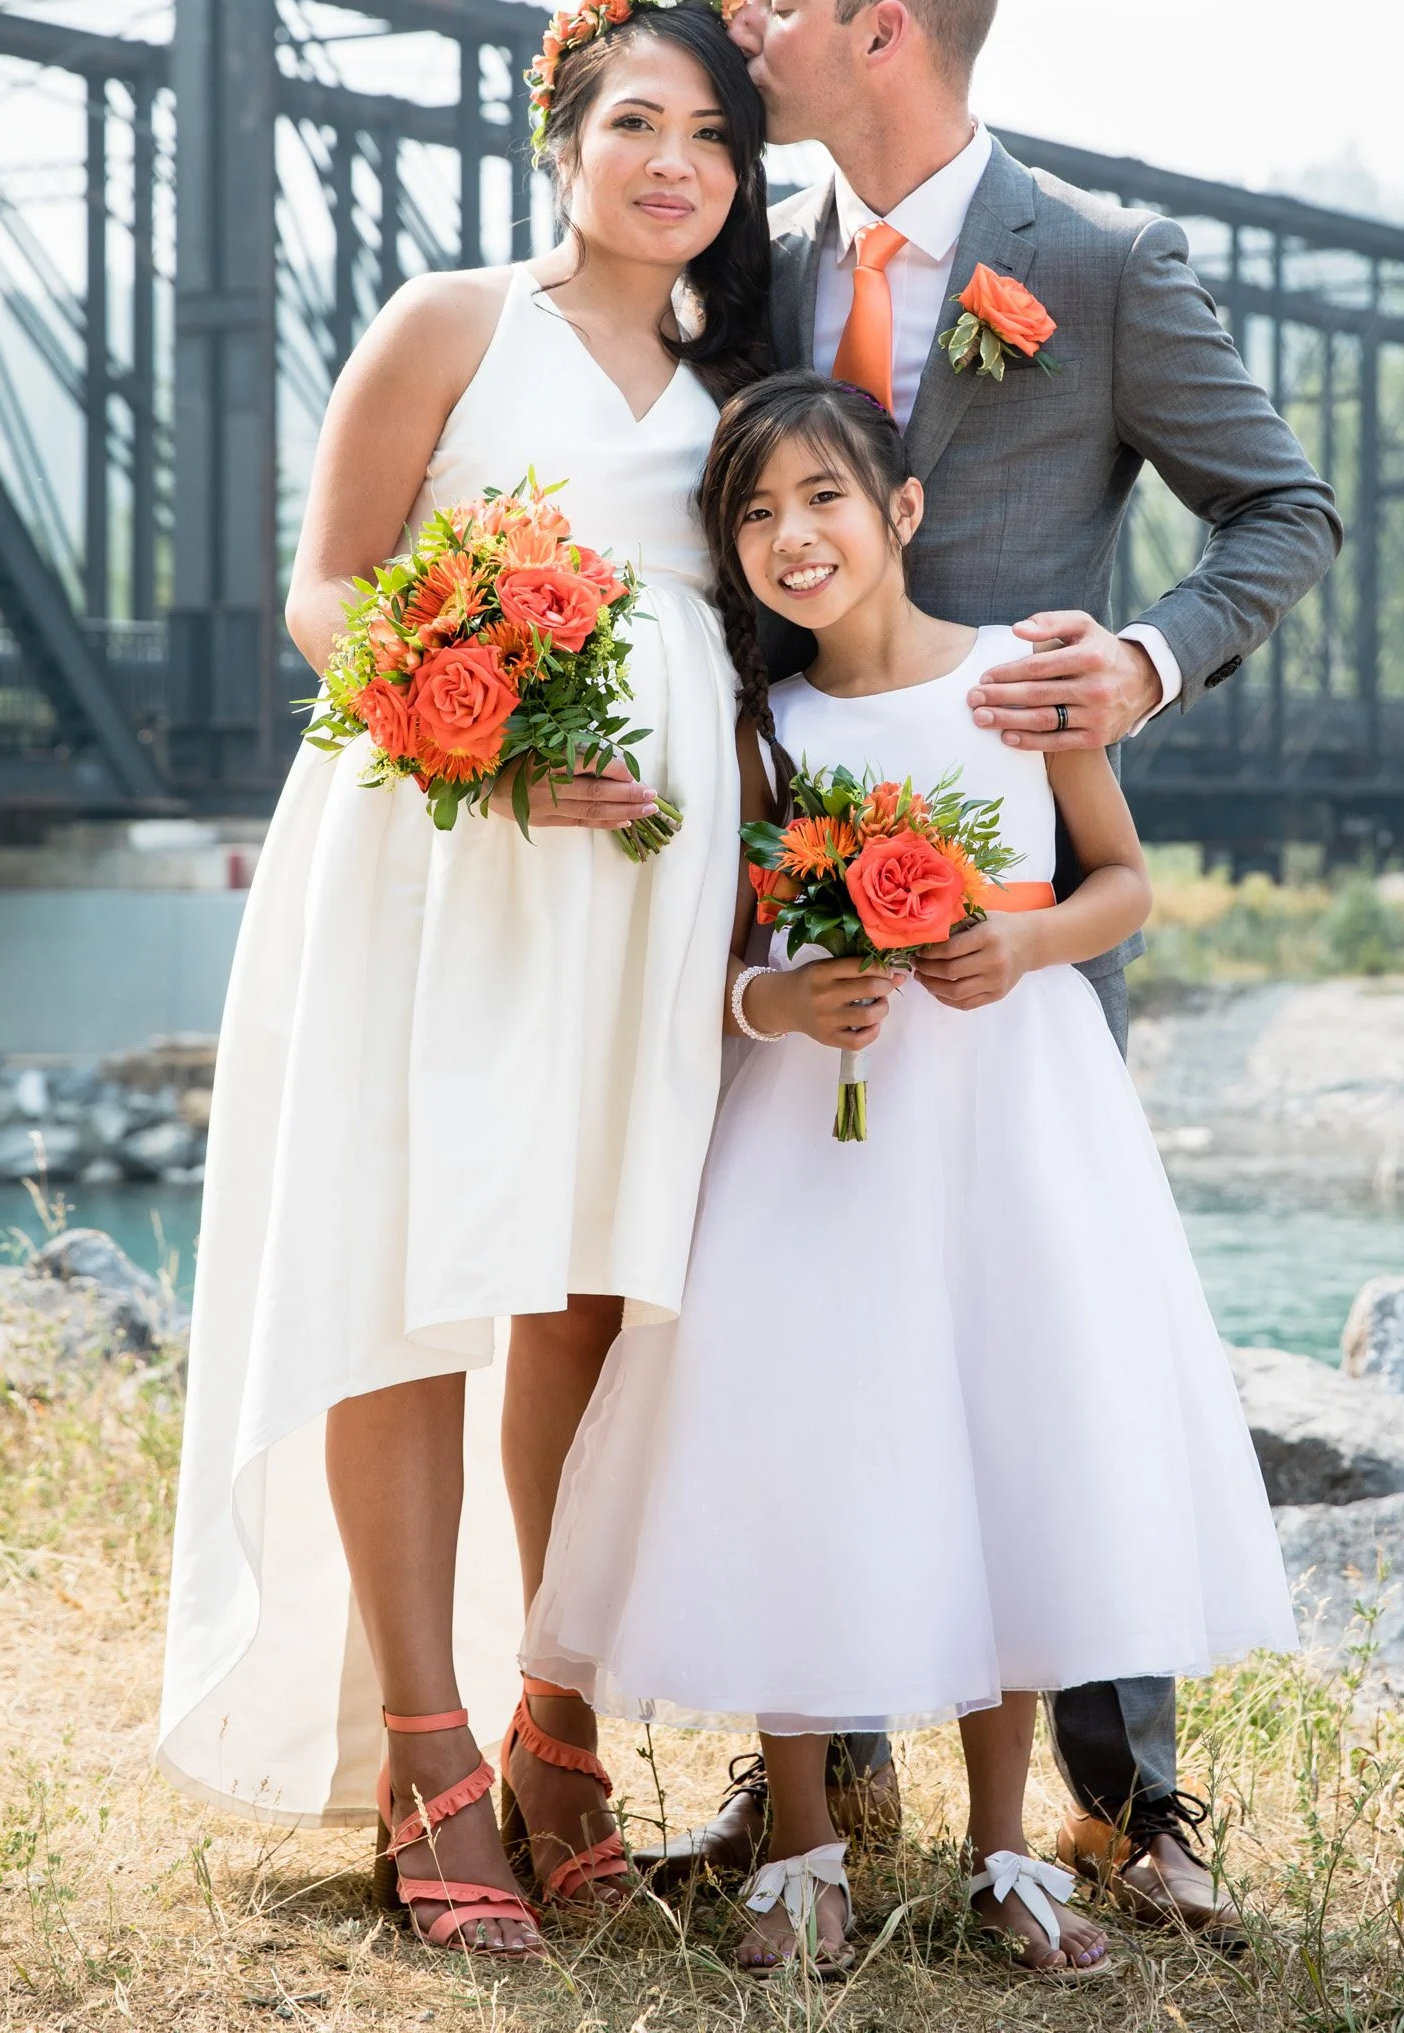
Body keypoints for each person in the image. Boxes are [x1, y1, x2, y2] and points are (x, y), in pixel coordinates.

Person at [636, 0, 1341, 1939]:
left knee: (1048, 1342)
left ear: (882, 30)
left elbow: (1278, 508)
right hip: (806, 880)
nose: (730, 29)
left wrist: (1138, 661)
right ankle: (816, 1806)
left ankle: (1122, 1808)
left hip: (1009, 900)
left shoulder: (1096, 265)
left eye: (768, 1)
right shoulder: (750, 264)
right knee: (824, 1346)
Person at [524, 373, 1299, 1978]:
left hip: (1013, 1116)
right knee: (804, 1437)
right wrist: (783, 999)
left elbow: (1126, 886)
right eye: (753, 514)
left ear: (904, 511)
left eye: (823, 499)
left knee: (1004, 1433)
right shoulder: (767, 731)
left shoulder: (1021, 677)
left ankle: (1007, 1848)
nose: (792, 537)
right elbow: (716, 962)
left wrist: (1021, 940)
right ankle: (803, 1838)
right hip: (814, 1126)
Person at [157, 0, 769, 1957]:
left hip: (639, 884)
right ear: (562, 141)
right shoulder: (450, 323)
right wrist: (483, 740)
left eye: (707, 135)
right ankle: (424, 1750)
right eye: (633, 125)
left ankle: (556, 1721)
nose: (671, 161)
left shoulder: (731, 374)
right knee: (405, 1268)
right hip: (441, 846)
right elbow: (329, 589)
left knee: (588, 1287)